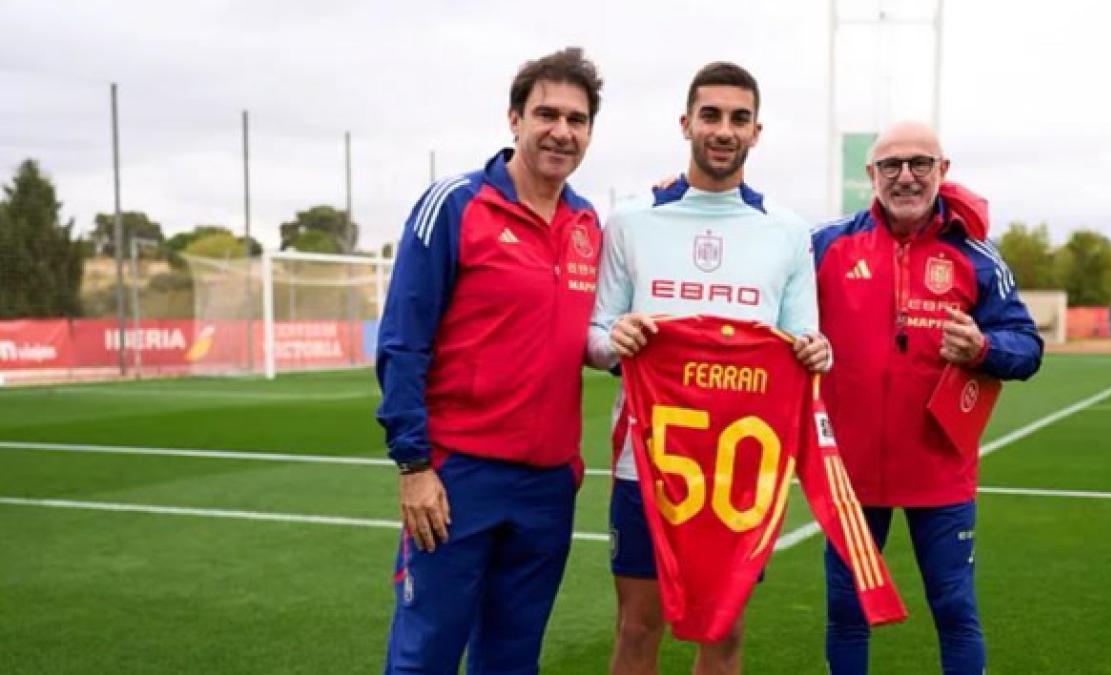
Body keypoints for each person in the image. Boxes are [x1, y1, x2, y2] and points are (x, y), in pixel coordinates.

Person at [587, 61, 831, 675]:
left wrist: (817, 353)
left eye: (739, 119)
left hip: (740, 475)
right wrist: (615, 339)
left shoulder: (785, 231)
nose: (724, 130)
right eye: (712, 115)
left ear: (757, 131)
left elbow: (807, 340)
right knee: (637, 628)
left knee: (723, 634)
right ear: (686, 123)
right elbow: (592, 336)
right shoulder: (632, 223)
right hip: (644, 465)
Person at [375, 47, 604, 674]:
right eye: (546, 114)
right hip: (457, 477)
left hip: (549, 485)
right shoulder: (453, 204)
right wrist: (414, 465)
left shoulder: (588, 223)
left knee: (511, 660)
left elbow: (596, 334)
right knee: (425, 656)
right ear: (514, 118)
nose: (561, 131)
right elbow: (402, 341)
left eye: (577, 119)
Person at [812, 121, 1044, 674]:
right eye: (891, 165)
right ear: (871, 175)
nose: (906, 177)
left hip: (940, 469)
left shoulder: (978, 257)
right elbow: (762, 285)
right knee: (847, 611)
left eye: (920, 163)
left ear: (943, 171)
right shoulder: (825, 245)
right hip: (849, 472)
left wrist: (983, 346)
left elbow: (1028, 348)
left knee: (954, 610)